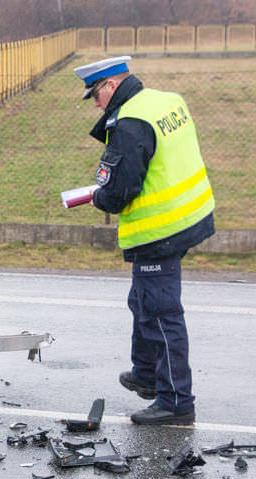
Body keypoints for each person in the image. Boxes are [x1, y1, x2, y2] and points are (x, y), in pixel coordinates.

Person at [74, 56, 215, 425]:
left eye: (95, 95)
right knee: (142, 300)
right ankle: (147, 375)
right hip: (190, 215)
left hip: (160, 230)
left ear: (111, 86)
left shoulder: (130, 122)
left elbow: (119, 191)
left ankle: (176, 402)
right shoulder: (166, 100)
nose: (96, 104)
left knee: (161, 313)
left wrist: (97, 196)